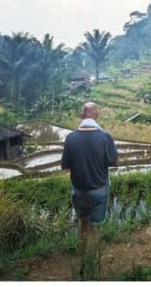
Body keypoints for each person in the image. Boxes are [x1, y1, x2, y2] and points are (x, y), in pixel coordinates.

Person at [61, 102, 118, 278]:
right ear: (95, 115)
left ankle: (82, 260)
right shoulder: (105, 137)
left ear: (82, 116)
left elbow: (65, 166)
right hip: (99, 190)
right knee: (94, 228)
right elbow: (114, 163)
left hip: (78, 191)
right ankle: (91, 268)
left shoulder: (71, 138)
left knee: (83, 224)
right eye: (97, 112)